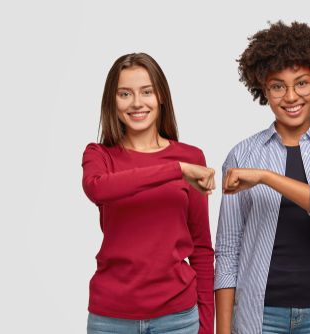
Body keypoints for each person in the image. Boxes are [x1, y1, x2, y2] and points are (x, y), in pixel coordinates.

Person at [214, 22, 310, 334]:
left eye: (302, 84)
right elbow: (228, 250)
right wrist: (224, 329)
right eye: (277, 86)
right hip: (261, 315)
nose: (291, 96)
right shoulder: (242, 155)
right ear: (263, 90)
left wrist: (268, 177)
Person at [82, 53, 215, 334]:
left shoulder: (191, 157)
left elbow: (201, 248)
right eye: (125, 94)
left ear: (161, 97)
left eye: (147, 92)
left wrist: (205, 327)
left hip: (178, 318)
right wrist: (175, 170)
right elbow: (98, 188)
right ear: (113, 102)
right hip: (111, 318)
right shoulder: (100, 155)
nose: (137, 103)